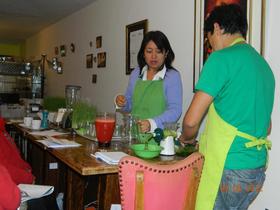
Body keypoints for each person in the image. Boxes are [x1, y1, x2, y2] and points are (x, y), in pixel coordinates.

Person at [179, 4, 275, 210]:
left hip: (229, 167)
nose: (210, 45)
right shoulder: (263, 66)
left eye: (209, 38)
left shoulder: (220, 59)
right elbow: (266, 128)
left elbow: (190, 121)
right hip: (255, 171)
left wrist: (185, 139)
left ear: (217, 27)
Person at [116, 30, 182, 133]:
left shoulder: (172, 76)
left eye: (159, 51)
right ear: (143, 53)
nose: (154, 56)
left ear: (166, 53)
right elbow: (129, 104)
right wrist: (121, 102)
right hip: (134, 134)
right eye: (149, 51)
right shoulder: (136, 73)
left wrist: (152, 123)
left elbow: (175, 110)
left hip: (159, 137)